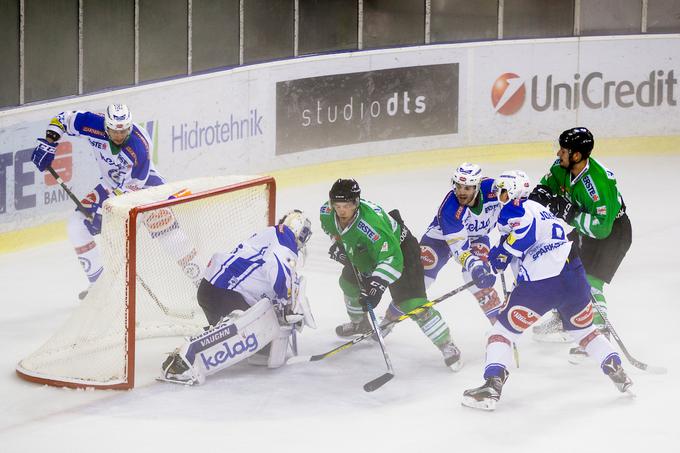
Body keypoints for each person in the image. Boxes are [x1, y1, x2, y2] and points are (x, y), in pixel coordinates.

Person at [461, 170, 632, 411]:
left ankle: (491, 386)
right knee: (585, 331)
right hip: (574, 276)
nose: (498, 196)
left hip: (541, 284)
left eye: (502, 192)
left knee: (500, 333)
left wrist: (499, 256)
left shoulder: (512, 210)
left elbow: (519, 239)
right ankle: (616, 369)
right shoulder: (540, 209)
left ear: (514, 192)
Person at [31, 104, 202, 298]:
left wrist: (108, 212)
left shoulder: (139, 145)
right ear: (106, 126)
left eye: (124, 131)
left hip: (146, 189)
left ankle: (202, 282)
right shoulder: (93, 124)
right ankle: (102, 290)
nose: (119, 136)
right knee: (76, 225)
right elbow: (63, 119)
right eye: (114, 131)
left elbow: (133, 190)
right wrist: (49, 143)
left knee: (169, 235)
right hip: (111, 187)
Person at [321, 179, 495, 370]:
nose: (342, 211)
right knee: (348, 283)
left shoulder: (372, 225)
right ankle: (360, 324)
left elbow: (392, 258)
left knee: (411, 304)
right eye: (337, 206)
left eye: (347, 206)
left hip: (401, 251)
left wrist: (376, 286)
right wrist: (340, 246)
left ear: (356, 202)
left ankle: (447, 345)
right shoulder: (327, 213)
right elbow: (336, 232)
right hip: (368, 251)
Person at [160, 210, 315, 385]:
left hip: (215, 289)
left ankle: (194, 353)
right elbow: (278, 268)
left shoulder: (271, 237)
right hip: (225, 289)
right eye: (303, 234)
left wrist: (286, 305)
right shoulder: (285, 235)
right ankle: (183, 360)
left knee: (258, 345)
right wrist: (287, 303)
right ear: (297, 228)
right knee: (234, 332)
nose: (301, 241)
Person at [529, 128, 632, 360]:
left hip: (613, 232)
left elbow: (601, 228)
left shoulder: (597, 183)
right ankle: (564, 321)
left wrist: (568, 213)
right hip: (586, 229)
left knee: (591, 284)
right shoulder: (560, 168)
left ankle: (599, 335)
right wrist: (539, 199)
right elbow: (544, 189)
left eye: (563, 150)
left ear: (576, 155)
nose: (558, 153)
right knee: (561, 271)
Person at [419, 163, 503, 324]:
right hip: (440, 239)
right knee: (419, 282)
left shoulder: (494, 190)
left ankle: (500, 326)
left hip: (477, 237)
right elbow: (460, 250)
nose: (461, 192)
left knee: (477, 281)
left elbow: (515, 201)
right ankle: (388, 321)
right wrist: (476, 266)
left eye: (467, 188)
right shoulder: (449, 209)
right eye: (458, 187)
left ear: (477, 187)